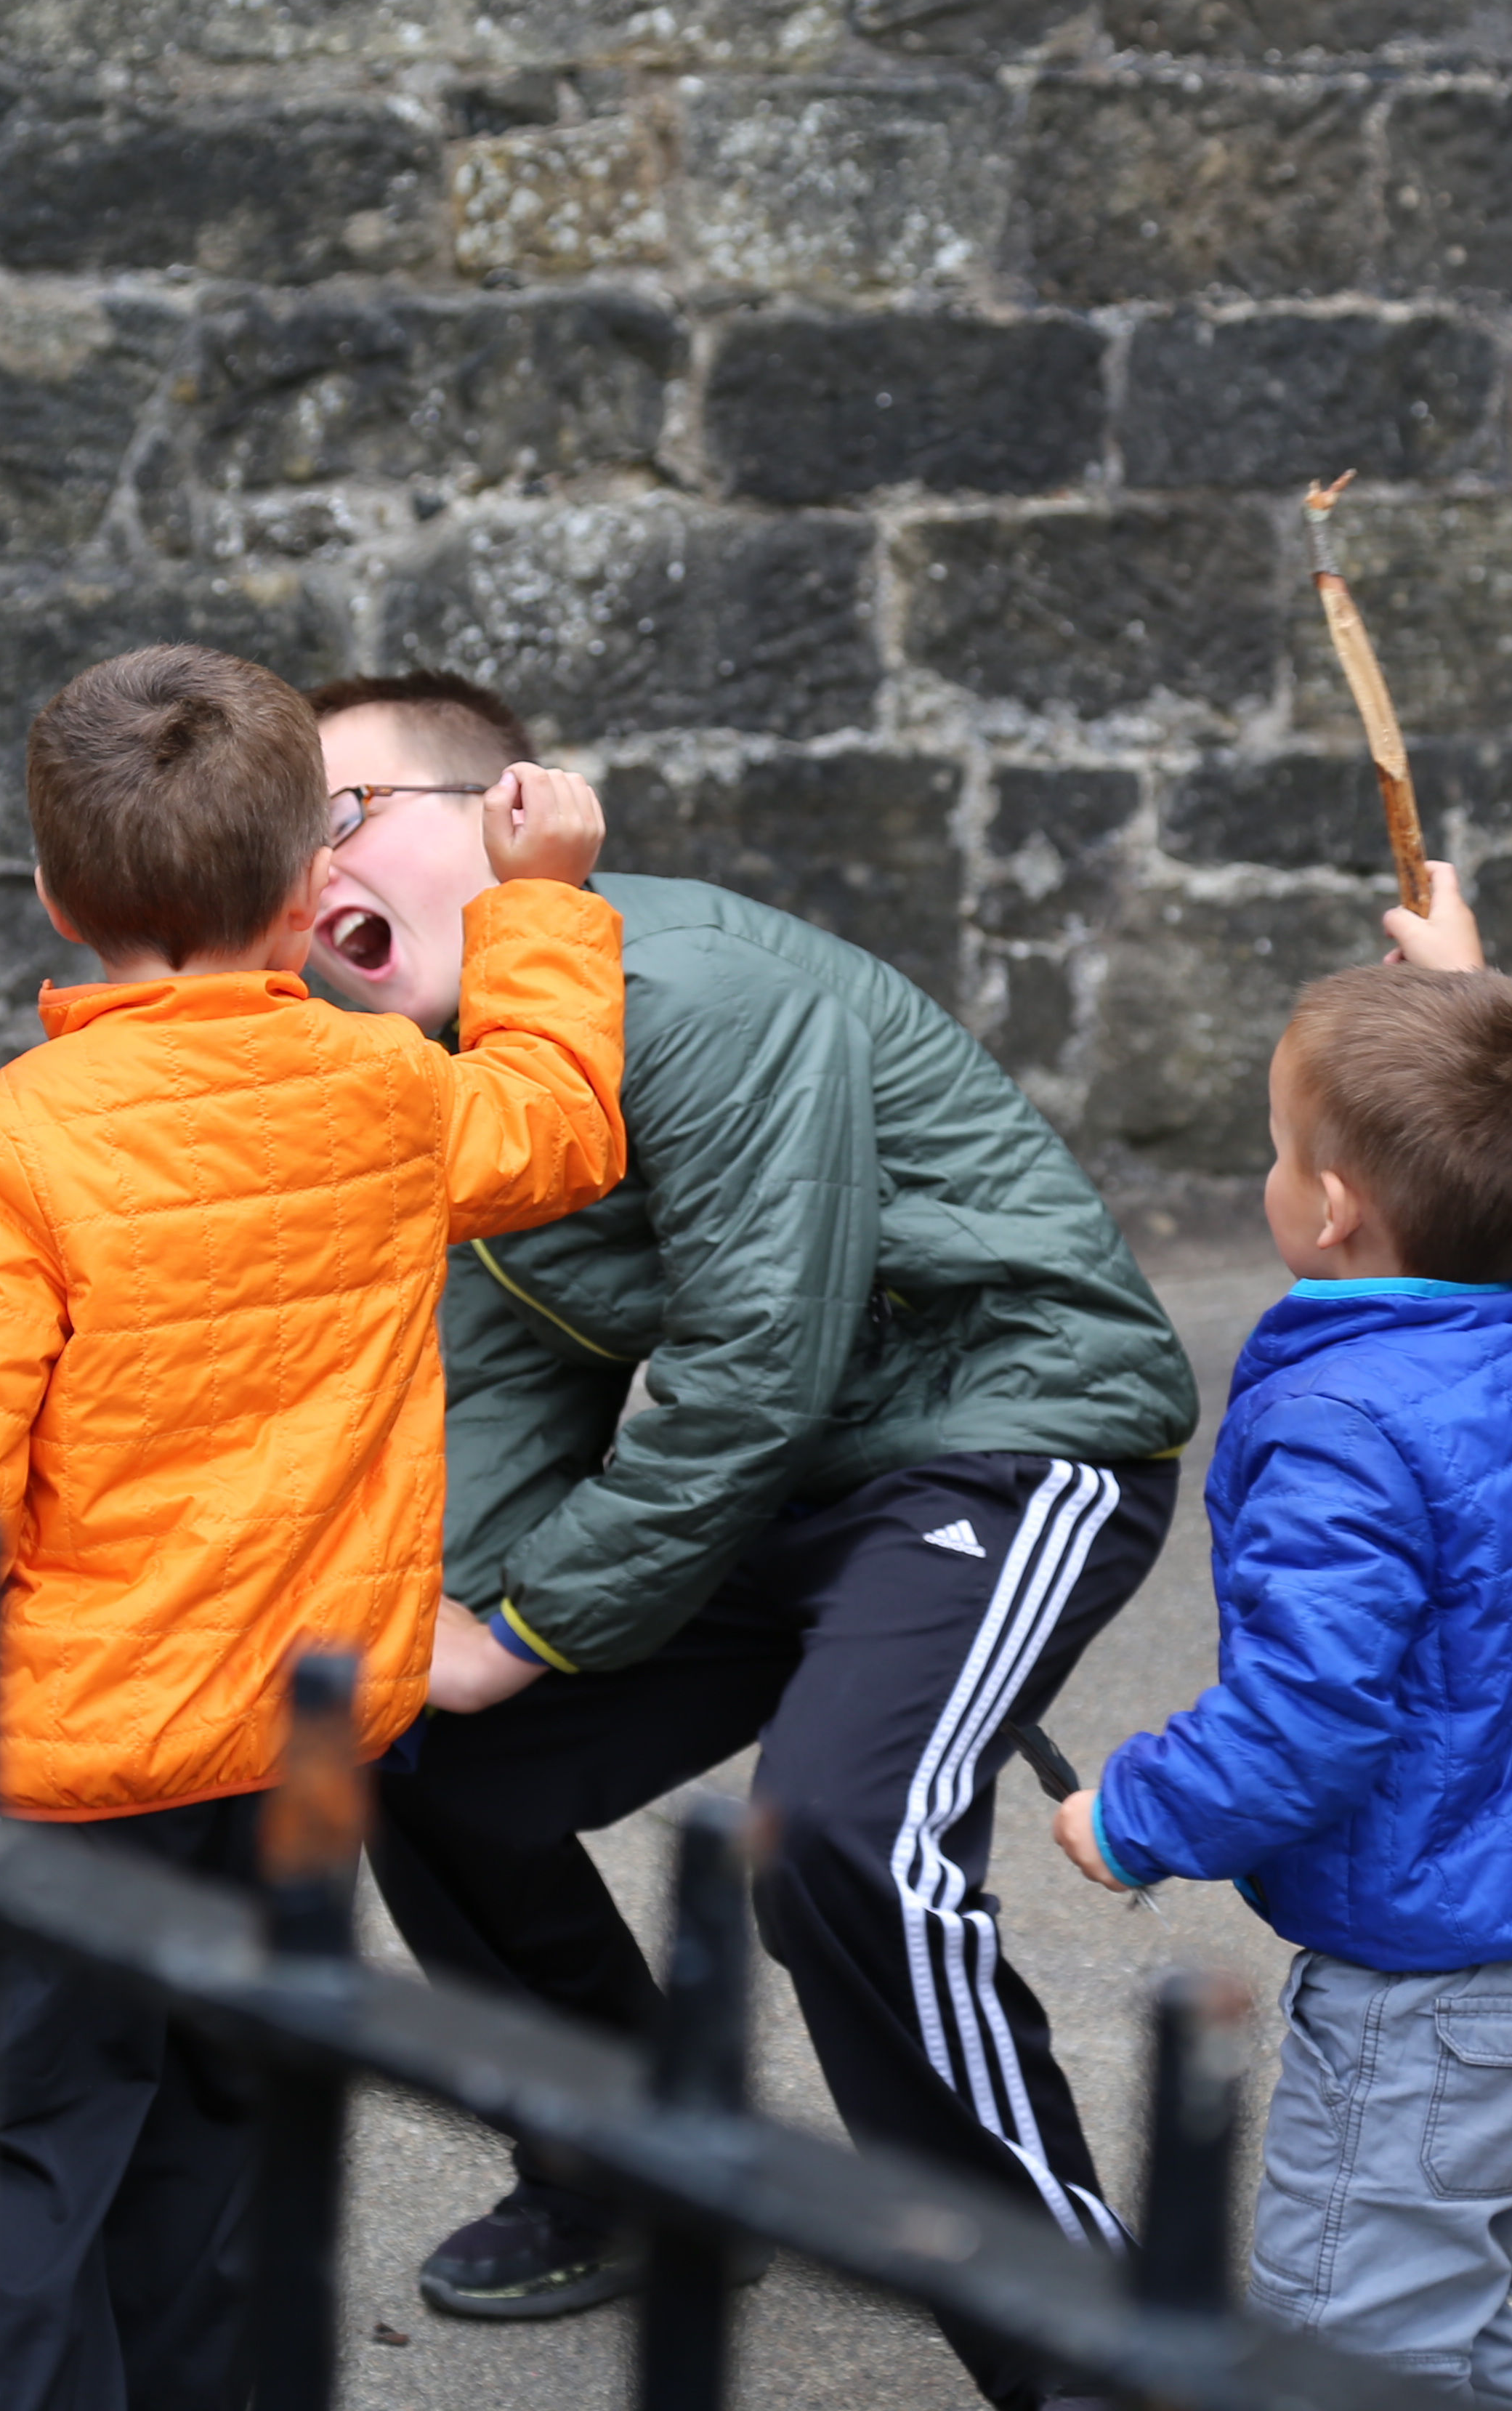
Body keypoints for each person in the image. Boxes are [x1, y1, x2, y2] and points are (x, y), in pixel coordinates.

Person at [307, 671, 1201, 2411]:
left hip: (1002, 1444)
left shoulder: (691, 989)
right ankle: (631, 2167)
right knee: (424, 1760)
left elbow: (752, 1367)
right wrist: (439, 1624)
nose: (302, 872)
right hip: (780, 1489)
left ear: (512, 813)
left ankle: (1096, 2344)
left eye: (340, 817)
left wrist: (525, 1625)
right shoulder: (452, 1073)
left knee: (835, 1847)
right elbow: (494, 1391)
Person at [0, 645, 629, 2411]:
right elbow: (558, 1127)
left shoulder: (22, 1141)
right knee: (232, 2106)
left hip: (88, 1748)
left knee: (33, 2140)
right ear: (313, 895)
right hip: (311, 1731)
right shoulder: (388, 1099)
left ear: (56, 896)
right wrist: (543, 902)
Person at [1056, 870, 1512, 2411]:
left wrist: (1133, 1817)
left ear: (1331, 1208)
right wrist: (1465, 996)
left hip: (1429, 2019)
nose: (1274, 1173)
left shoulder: (1344, 1428)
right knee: (1445, 2341)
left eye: (1281, 1151)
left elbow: (1307, 1718)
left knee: (1335, 2363)